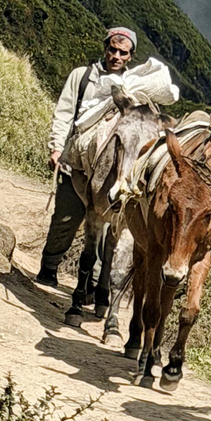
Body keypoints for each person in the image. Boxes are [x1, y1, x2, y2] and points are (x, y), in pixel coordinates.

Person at [35, 26, 138, 310]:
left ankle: (92, 288)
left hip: (107, 174)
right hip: (75, 162)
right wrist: (57, 147)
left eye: (123, 52)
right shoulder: (82, 77)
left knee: (104, 233)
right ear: (105, 48)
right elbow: (64, 113)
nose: (116, 56)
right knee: (66, 218)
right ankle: (50, 266)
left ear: (130, 57)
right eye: (113, 50)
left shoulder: (133, 88)